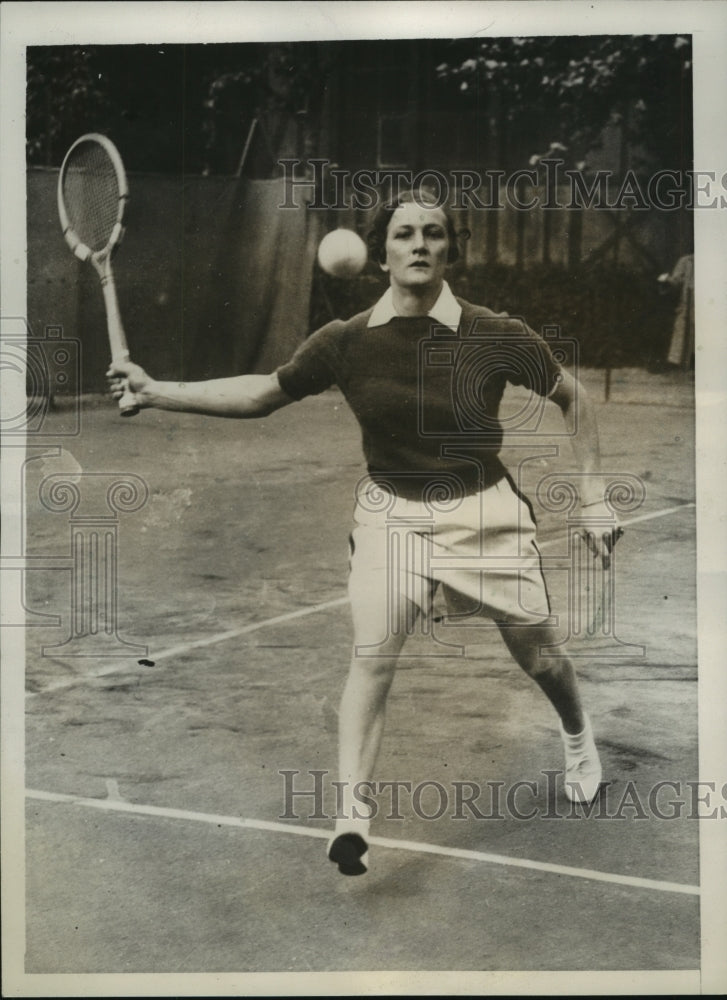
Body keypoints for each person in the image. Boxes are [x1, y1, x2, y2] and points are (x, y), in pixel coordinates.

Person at [108, 189, 621, 877]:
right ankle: (352, 817)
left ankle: (577, 736)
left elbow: (574, 397)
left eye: (432, 234)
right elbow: (263, 393)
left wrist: (592, 496)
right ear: (380, 253)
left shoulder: (494, 332)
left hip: (484, 516)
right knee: (372, 656)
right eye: (404, 233)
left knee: (539, 659)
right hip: (391, 517)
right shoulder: (344, 341)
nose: (418, 244)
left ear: (448, 250)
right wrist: (156, 389)